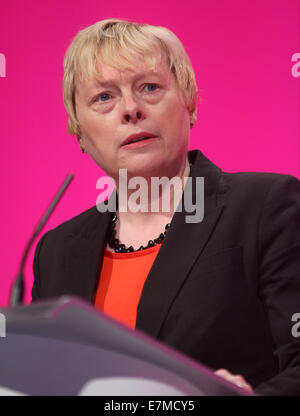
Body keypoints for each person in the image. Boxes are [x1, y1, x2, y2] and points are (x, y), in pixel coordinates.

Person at [31, 18, 300, 395]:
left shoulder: (264, 208)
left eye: (150, 87)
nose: (130, 109)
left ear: (189, 103)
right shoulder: (55, 251)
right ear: (78, 130)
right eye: (103, 97)